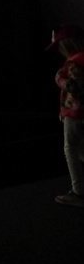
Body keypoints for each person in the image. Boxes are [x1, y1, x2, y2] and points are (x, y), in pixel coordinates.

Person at [47, 24, 84, 207]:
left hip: (76, 115)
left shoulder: (74, 62)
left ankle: (79, 193)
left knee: (70, 149)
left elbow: (74, 87)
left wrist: (59, 78)